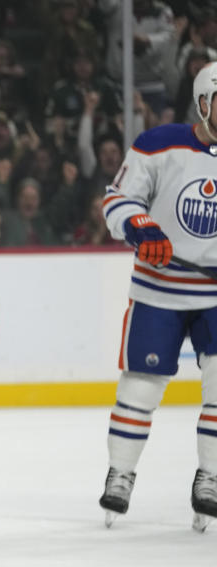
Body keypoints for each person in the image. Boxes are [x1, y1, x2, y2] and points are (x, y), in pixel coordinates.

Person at [98, 62, 217, 532]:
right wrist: (140, 225)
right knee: (140, 389)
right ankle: (120, 473)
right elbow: (117, 199)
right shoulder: (158, 144)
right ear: (203, 103)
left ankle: (209, 476)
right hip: (159, 290)